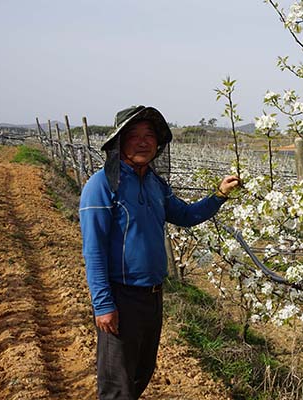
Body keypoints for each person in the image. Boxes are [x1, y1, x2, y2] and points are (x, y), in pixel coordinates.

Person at [79, 105, 239, 399]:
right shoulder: (102, 185)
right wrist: (103, 304)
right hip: (121, 296)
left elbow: (186, 215)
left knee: (141, 372)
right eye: (134, 135)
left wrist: (219, 195)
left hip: (153, 296)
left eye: (149, 135)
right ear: (119, 142)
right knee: (117, 385)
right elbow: (94, 250)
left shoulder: (155, 184)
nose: (143, 142)